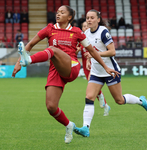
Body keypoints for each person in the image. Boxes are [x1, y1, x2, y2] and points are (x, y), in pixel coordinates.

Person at [12, 5, 119, 144]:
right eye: (57, 12)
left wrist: (105, 67)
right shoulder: (50, 28)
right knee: (51, 107)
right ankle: (69, 126)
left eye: (62, 12)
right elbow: (30, 44)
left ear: (69, 17)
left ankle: (30, 60)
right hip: (55, 71)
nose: (58, 14)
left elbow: (92, 51)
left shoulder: (77, 32)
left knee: (52, 49)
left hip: (72, 66)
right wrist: (18, 62)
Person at [74, 9, 147, 138]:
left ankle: (142, 101)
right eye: (87, 18)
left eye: (92, 18)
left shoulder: (103, 32)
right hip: (96, 72)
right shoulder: (85, 33)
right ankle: (86, 128)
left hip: (110, 70)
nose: (89, 20)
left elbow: (112, 52)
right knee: (89, 97)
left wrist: (94, 55)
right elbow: (87, 50)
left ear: (98, 19)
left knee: (119, 100)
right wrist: (87, 59)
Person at [77, 21, 111, 116]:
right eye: (84, 26)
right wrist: (77, 50)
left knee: (91, 83)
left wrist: (89, 60)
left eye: (87, 26)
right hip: (85, 64)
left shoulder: (92, 38)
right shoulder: (82, 39)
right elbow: (78, 49)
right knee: (92, 89)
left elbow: (92, 51)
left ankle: (100, 96)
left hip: (93, 63)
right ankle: (106, 106)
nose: (86, 27)